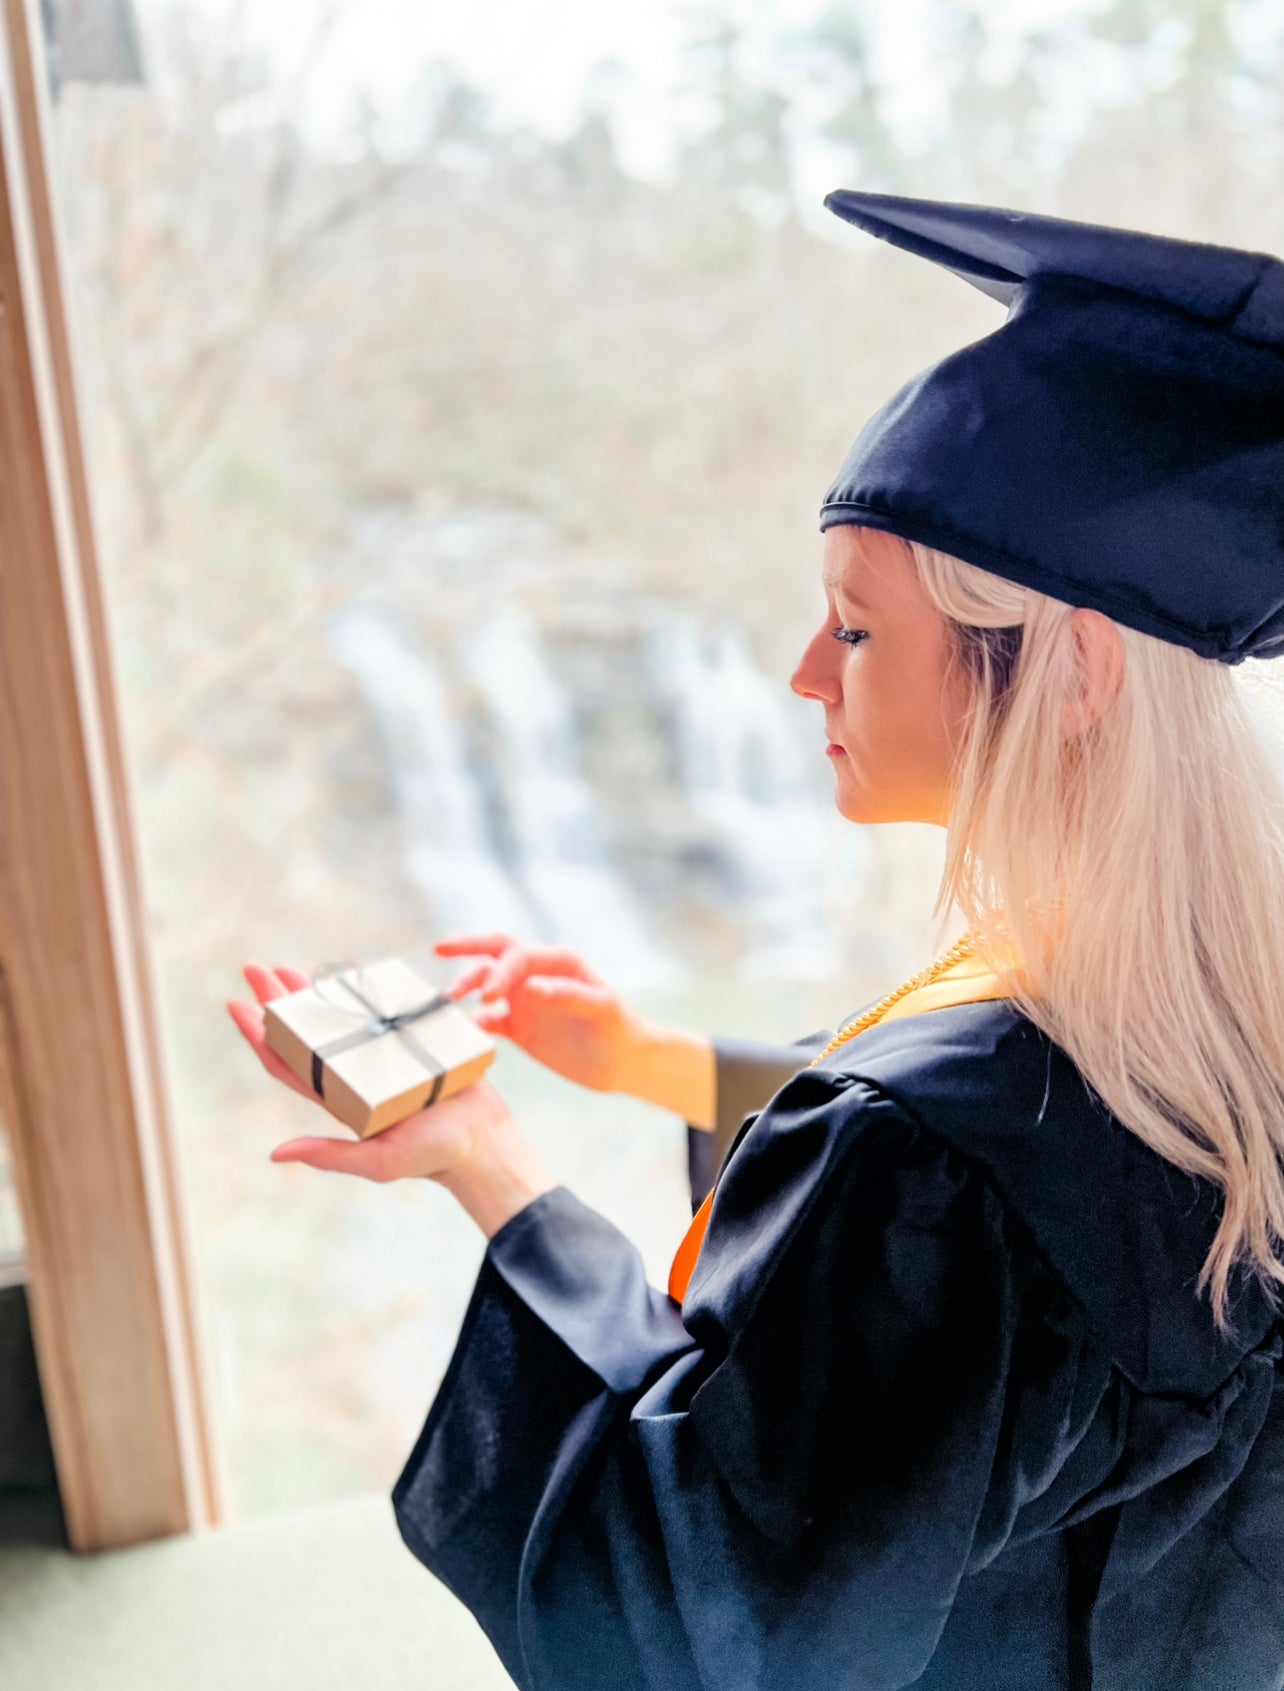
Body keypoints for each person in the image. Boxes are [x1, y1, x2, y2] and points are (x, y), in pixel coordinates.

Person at [228, 193, 1284, 1689]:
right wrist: (658, 1064)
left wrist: (495, 1165)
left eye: (852, 630)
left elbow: (681, 1618)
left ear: (1072, 670)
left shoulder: (929, 1166)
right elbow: (1026, 1190)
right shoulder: (1224, 1020)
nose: (804, 677)